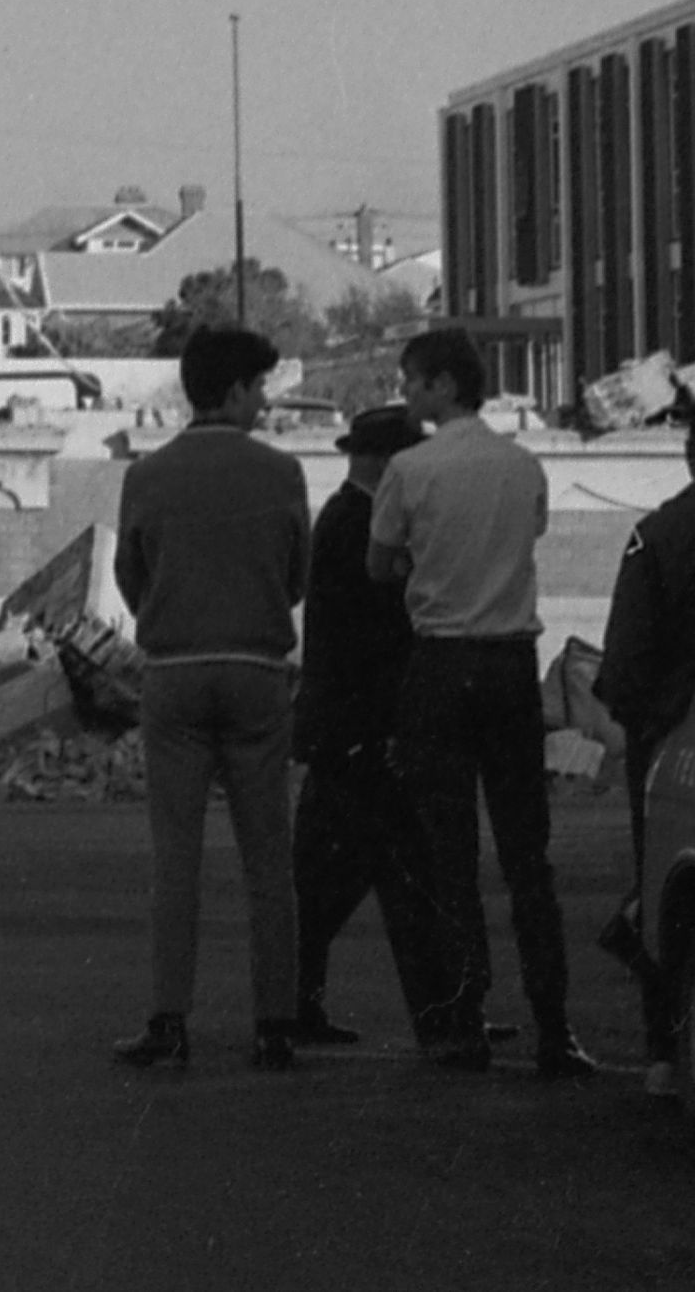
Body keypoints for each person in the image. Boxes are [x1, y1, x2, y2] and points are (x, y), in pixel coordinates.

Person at [367, 326, 592, 1074]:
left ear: (441, 384)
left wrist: (423, 571)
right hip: (507, 662)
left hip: (438, 662)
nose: (405, 393)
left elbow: (381, 562)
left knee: (449, 852)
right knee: (527, 854)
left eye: (411, 380)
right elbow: (529, 536)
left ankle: (465, 1015)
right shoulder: (522, 466)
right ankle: (553, 1023)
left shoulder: (408, 468)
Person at [108, 325, 314, 1071]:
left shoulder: (147, 474)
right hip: (256, 668)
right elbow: (299, 576)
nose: (263, 402)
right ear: (233, 390)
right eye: (259, 388)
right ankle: (274, 1022)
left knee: (177, 856)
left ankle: (169, 1017)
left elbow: (131, 575)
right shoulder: (282, 472)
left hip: (175, 669)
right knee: (268, 858)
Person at [589, 392, 695, 993]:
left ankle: (667, 1043)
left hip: (671, 737)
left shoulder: (658, 532)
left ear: (692, 454)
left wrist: (635, 716)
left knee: (666, 885)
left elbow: (626, 661)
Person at [289, 401, 447, 1048]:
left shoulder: (346, 517)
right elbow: (379, 636)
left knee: (338, 880)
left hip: (342, 729)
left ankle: (300, 1005)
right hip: (363, 731)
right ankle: (440, 1014)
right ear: (387, 463)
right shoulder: (363, 524)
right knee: (395, 877)